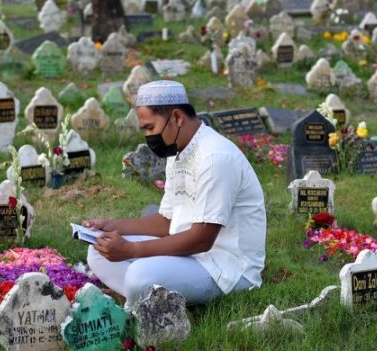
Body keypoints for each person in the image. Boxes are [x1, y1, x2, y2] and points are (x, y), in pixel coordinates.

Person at [84, 80, 266, 308]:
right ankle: (148, 298)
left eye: (150, 128)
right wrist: (112, 226)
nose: (148, 137)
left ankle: (144, 298)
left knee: (139, 275)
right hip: (190, 255)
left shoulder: (215, 157)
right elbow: (167, 222)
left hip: (226, 266)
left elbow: (202, 239)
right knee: (99, 250)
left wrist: (131, 250)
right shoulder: (179, 151)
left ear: (177, 118)